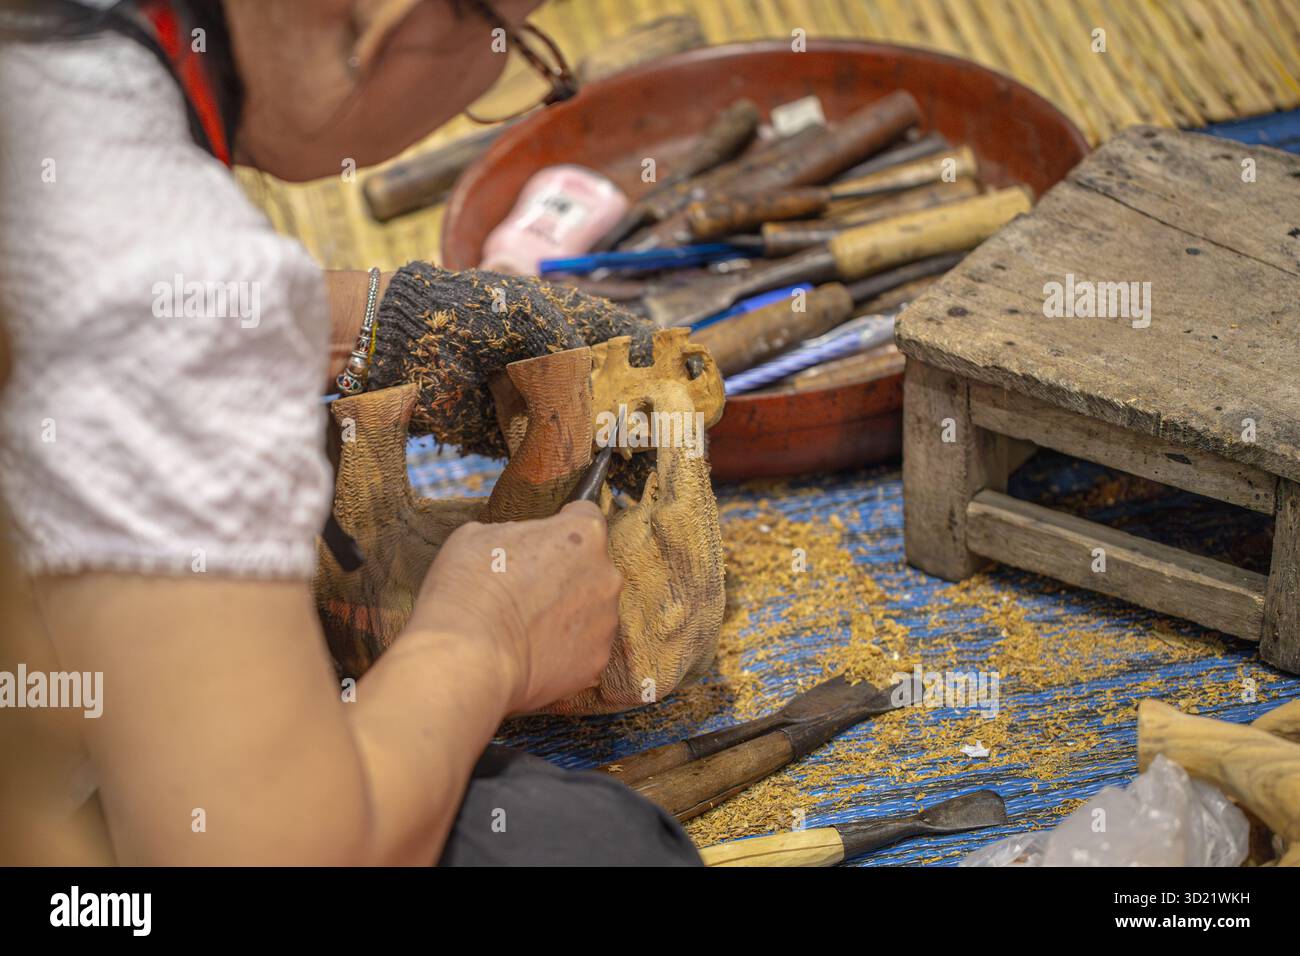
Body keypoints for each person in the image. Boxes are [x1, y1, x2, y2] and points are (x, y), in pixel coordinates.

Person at [0, 0, 700, 865]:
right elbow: (257, 851)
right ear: (387, 25)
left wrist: (369, 322)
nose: (494, 75)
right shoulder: (159, 250)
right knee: (598, 848)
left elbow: (81, 306)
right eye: (513, 47)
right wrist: (485, 639)